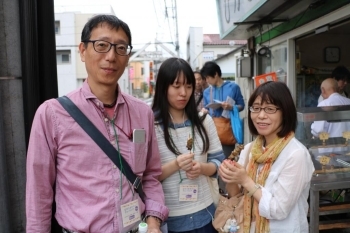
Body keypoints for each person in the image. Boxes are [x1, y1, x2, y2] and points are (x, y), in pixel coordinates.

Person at [26, 14, 168, 233]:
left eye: (121, 48)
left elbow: (150, 175)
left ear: (128, 56)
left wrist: (153, 222)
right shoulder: (52, 114)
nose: (111, 56)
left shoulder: (142, 113)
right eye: (101, 45)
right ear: (82, 51)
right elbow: (39, 193)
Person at [219, 81, 315, 233]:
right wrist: (230, 177)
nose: (261, 116)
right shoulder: (250, 149)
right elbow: (237, 197)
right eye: (256, 108)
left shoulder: (296, 154)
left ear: (285, 112)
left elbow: (278, 209)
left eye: (270, 109)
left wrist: (245, 180)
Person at [152, 58, 225, 233]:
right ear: (163, 87)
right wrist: (175, 165)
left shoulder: (204, 120)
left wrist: (202, 168)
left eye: (189, 86)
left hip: (207, 216)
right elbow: (146, 177)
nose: (183, 93)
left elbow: (218, 163)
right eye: (176, 86)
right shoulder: (151, 125)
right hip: (169, 221)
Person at [200, 61, 245, 158]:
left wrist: (231, 107)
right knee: (212, 159)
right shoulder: (207, 92)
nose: (206, 80)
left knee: (227, 158)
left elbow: (242, 105)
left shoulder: (233, 87)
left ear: (215, 74)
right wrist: (204, 111)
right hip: (211, 128)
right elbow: (205, 107)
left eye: (208, 77)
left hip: (227, 128)